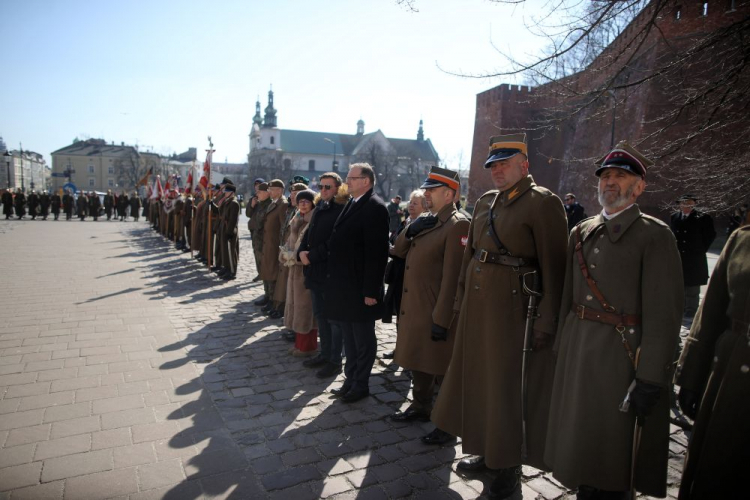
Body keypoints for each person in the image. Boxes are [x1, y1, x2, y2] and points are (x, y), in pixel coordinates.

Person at [431, 134, 568, 498]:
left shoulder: (543, 203)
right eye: (493, 165)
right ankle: (487, 452)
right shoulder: (486, 202)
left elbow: (556, 269)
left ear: (524, 166)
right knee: (479, 383)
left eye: (504, 164)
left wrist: (546, 321)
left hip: (514, 312)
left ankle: (508, 467)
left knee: (507, 390)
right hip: (479, 307)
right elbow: (470, 257)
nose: (497, 171)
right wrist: (459, 304)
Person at [545, 141, 683, 500]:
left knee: (612, 447)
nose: (610, 182)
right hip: (578, 347)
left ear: (639, 187)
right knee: (579, 436)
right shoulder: (581, 232)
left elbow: (664, 314)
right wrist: (561, 343)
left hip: (621, 356)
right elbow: (565, 298)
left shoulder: (655, 236)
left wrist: (651, 376)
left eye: (620, 176)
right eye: (605, 176)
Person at [390, 167, 470, 429]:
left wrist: (443, 318)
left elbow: (453, 277)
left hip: (435, 309)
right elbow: (398, 251)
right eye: (425, 189)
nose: (425, 194)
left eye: (431, 190)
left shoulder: (457, 224)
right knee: (418, 362)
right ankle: (421, 406)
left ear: (449, 194)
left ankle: (446, 425)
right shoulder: (426, 218)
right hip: (415, 307)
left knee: (440, 368)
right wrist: (411, 229)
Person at [674, 225, 750, 500]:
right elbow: (710, 315)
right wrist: (691, 378)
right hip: (731, 373)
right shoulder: (742, 240)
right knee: (718, 468)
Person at [325, 163, 389, 403]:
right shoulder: (353, 202)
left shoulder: (374, 207)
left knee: (363, 339)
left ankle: (361, 384)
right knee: (350, 340)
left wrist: (372, 290)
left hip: (361, 288)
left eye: (352, 178)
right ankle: (350, 379)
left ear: (366, 181)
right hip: (345, 287)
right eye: (348, 178)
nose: (347, 182)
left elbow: (377, 253)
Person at [298, 173, 348, 378]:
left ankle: (335, 360)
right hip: (315, 271)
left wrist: (312, 256)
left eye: (329, 187)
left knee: (334, 319)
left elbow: (336, 242)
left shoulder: (341, 209)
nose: (324, 190)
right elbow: (309, 234)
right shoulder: (320, 207)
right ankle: (325, 353)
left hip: (330, 272)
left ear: (338, 188)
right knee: (321, 316)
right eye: (322, 186)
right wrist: (301, 251)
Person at [381, 189, 428, 359]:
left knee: (409, 314)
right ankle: (400, 347)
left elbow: (406, 249)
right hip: (399, 274)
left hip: (410, 274)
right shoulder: (407, 221)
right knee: (399, 312)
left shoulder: (424, 225)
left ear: (425, 206)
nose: (411, 206)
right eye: (410, 202)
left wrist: (392, 249)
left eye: (415, 203)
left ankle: (410, 351)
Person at [281, 189, 318, 356]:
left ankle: (307, 347)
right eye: (300, 201)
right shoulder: (296, 218)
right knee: (296, 307)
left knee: (305, 309)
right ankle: (299, 344)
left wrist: (293, 257)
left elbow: (310, 249)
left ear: (312, 203)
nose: (302, 204)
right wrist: (285, 254)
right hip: (293, 270)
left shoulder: (314, 221)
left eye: (306, 201)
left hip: (305, 270)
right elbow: (289, 242)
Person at [670, 195, 716, 321]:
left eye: (689, 203)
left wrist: (700, 249)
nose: (686, 205)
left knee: (692, 286)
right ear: (680, 204)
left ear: (694, 204)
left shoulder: (702, 218)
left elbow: (710, 235)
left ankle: (691, 310)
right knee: (679, 285)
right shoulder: (675, 217)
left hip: (695, 258)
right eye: (684, 203)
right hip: (679, 257)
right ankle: (682, 308)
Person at [268, 183, 308, 319]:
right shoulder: (292, 210)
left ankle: (285, 312)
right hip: (286, 250)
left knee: (291, 288)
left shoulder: (304, 213)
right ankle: (280, 307)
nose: (292, 196)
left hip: (295, 254)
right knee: (283, 282)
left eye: (296, 194)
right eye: (291, 193)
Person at [255, 180, 289, 309]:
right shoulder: (273, 203)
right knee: (267, 271)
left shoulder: (283, 205)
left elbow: (283, 227)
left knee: (273, 273)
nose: (269, 191)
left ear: (280, 190)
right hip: (267, 243)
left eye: (272, 189)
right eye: (268, 189)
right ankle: (268, 297)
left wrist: (280, 247)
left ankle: (274, 301)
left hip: (274, 244)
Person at [247, 179, 270, 281]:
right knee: (256, 252)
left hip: (262, 231)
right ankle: (259, 272)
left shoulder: (266, 201)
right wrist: (252, 205)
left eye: (259, 186)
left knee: (262, 253)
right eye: (255, 185)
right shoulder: (254, 199)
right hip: (254, 229)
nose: (257, 188)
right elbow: (248, 214)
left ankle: (263, 273)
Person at [217, 184, 240, 280]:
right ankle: (226, 268)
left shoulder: (234, 203)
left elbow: (233, 220)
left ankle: (232, 271)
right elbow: (221, 213)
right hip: (224, 229)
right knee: (225, 251)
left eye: (227, 191)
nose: (225, 193)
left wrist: (229, 232)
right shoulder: (227, 202)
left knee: (230, 251)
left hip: (229, 230)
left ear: (232, 193)